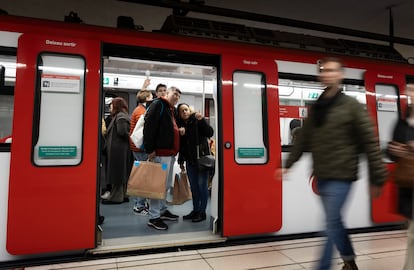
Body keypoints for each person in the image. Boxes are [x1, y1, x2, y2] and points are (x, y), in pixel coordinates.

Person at [275, 57, 387, 270]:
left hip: (343, 175)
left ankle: (323, 266)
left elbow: (370, 142)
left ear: (341, 75)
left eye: (332, 70)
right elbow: (304, 139)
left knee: (330, 224)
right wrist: (288, 164)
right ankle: (349, 260)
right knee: (335, 223)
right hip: (322, 175)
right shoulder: (317, 107)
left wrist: (378, 177)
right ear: (320, 75)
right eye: (324, 70)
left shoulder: (352, 106)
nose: (327, 74)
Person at [143, 86, 182, 230]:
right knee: (157, 186)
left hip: (169, 154)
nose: (176, 97)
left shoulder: (170, 109)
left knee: (165, 186)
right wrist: (150, 149)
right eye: (175, 93)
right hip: (159, 153)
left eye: (179, 95)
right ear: (167, 93)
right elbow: (149, 125)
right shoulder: (158, 104)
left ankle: (162, 210)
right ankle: (154, 217)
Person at [387, 83, 414, 270]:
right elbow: (391, 151)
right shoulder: (402, 121)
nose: (410, 93)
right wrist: (393, 150)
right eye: (409, 90)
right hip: (409, 184)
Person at [176, 103, 214, 222]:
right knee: (193, 187)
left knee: (202, 186)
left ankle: (202, 212)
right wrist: (181, 160)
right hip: (190, 161)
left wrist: (202, 120)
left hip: (202, 160)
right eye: (182, 111)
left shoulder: (197, 121)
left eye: (186, 110)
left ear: (190, 110)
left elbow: (210, 133)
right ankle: (195, 210)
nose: (185, 112)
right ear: (179, 114)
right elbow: (182, 146)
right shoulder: (180, 126)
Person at [102, 97, 133, 204]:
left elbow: (122, 131)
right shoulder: (121, 116)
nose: (110, 107)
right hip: (120, 150)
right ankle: (123, 195)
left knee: (117, 174)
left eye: (111, 105)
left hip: (118, 151)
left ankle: (116, 197)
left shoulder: (120, 116)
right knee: (121, 173)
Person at [129, 80, 153, 215]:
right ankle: (139, 205)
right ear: (146, 99)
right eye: (150, 97)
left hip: (136, 148)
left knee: (142, 175)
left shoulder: (139, 109)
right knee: (143, 177)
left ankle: (140, 204)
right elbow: (143, 131)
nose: (152, 99)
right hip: (140, 149)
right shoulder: (141, 112)